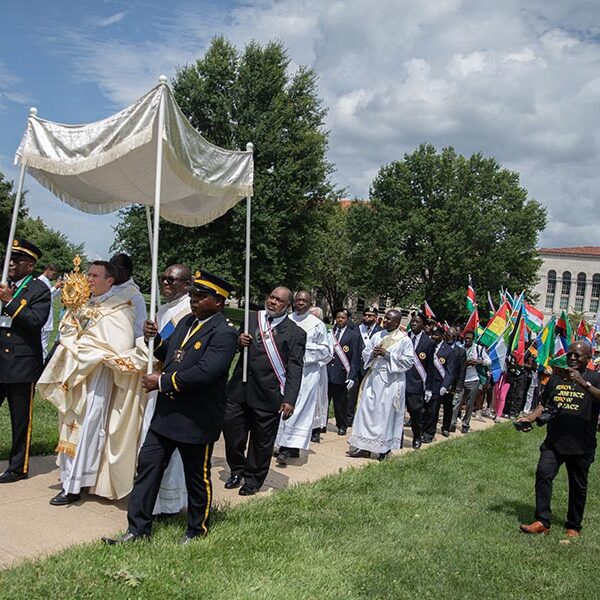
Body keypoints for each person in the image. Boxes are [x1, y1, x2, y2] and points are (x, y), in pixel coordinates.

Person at [104, 271, 238, 544]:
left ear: (219, 302)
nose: (194, 300)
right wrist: (156, 340)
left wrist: (163, 382)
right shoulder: (187, 321)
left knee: (196, 478)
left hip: (196, 419)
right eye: (192, 294)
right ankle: (137, 530)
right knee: (148, 468)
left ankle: (196, 530)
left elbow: (205, 372)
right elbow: (172, 354)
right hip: (167, 415)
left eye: (201, 296)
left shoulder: (225, 332)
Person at [38, 260, 145, 504]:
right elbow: (65, 331)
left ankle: (75, 484)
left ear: (110, 281)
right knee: (69, 425)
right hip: (75, 373)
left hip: (97, 376)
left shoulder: (121, 308)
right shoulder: (83, 303)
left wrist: (86, 348)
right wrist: (74, 341)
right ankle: (69, 479)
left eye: (95, 276)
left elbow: (117, 345)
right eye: (88, 274)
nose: (89, 279)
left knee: (88, 427)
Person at [223, 287, 306, 496]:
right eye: (271, 297)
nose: (273, 302)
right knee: (233, 435)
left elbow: (295, 368)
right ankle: (237, 469)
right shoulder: (252, 319)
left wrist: (290, 399)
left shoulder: (296, 333)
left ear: (287, 306)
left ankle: (253, 479)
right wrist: (238, 342)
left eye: (279, 300)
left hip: (268, 394)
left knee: (261, 442)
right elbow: (234, 347)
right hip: (239, 389)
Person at [517, 341, 600, 537]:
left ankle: (574, 526)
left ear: (588, 359)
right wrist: (528, 418)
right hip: (554, 441)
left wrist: (583, 383)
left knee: (578, 486)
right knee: (543, 474)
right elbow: (543, 405)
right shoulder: (556, 379)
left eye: (577, 355)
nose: (572, 357)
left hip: (582, 444)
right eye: (570, 354)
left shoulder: (595, 378)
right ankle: (542, 521)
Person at [139, 263, 192, 516]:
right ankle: (152, 499)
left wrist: (157, 339)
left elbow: (175, 349)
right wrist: (150, 337)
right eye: (164, 279)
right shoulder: (162, 309)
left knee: (171, 449)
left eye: (172, 280)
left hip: (171, 383)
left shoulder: (188, 310)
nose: (166, 283)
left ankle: (169, 503)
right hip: (154, 382)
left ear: (187, 284)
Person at [0, 239, 51, 483]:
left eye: (17, 260)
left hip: (21, 365)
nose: (10, 263)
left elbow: (35, 322)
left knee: (21, 420)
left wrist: (10, 302)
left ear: (30, 266)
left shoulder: (39, 289)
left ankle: (18, 467)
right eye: (10, 257)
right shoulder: (2, 282)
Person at [347, 309, 414, 460]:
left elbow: (409, 361)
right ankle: (364, 447)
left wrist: (388, 354)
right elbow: (365, 353)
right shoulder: (377, 335)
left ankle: (384, 449)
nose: (386, 321)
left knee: (385, 415)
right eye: (385, 318)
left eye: (389, 319)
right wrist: (372, 354)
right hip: (374, 378)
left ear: (397, 322)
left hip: (391, 382)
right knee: (367, 411)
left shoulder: (404, 340)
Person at [275, 291, 332, 463]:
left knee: (298, 410)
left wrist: (303, 348)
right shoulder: (286, 320)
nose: (300, 303)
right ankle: (281, 444)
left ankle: (289, 447)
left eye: (304, 301)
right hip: (286, 372)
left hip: (307, 374)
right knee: (282, 406)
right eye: (298, 300)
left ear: (310, 303)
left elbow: (326, 352)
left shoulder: (317, 325)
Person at [327, 308, 362, 435]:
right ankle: (320, 425)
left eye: (343, 318)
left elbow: (355, 358)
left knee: (340, 403)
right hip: (327, 372)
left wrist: (352, 376)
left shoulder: (353, 336)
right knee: (324, 401)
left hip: (341, 373)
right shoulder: (329, 333)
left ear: (347, 320)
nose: (340, 320)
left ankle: (342, 425)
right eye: (338, 317)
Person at [347, 305, 383, 427]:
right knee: (351, 395)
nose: (367, 317)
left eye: (370, 316)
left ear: (376, 317)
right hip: (356, 366)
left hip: (370, 368)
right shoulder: (357, 329)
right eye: (366, 315)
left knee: (368, 397)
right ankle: (349, 420)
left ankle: (364, 420)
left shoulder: (381, 332)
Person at [450, 329, 490, 434]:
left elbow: (489, 361)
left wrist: (478, 361)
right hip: (460, 380)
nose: (467, 340)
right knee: (456, 402)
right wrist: (465, 363)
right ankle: (452, 423)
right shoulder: (459, 348)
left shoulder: (479, 349)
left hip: (473, 380)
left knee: (469, 404)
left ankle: (465, 424)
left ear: (473, 339)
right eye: (465, 338)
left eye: (469, 339)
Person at [405, 312, 434, 448]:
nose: (413, 323)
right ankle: (397, 438)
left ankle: (417, 436)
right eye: (412, 321)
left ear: (423, 325)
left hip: (417, 384)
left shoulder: (428, 342)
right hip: (402, 381)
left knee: (415, 413)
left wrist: (428, 388)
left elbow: (430, 368)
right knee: (397, 413)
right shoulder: (404, 338)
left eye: (417, 321)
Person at [423, 325, 457, 443]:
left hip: (438, 384)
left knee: (433, 410)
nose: (433, 337)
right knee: (424, 409)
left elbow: (450, 371)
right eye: (432, 334)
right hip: (425, 382)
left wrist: (445, 385)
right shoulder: (427, 346)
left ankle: (429, 433)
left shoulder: (449, 351)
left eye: (436, 335)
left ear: (442, 336)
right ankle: (422, 430)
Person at [109, 253, 147, 339]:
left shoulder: (135, 297)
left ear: (126, 270)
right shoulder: (104, 287)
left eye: (114, 267)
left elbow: (139, 329)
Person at [309, 306, 330, 441]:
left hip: (318, 370)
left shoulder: (324, 332)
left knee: (317, 401)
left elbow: (328, 353)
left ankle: (315, 430)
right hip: (302, 370)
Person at [37, 263, 62, 360]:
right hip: (42, 320)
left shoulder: (47, 281)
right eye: (53, 273)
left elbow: (50, 298)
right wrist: (55, 287)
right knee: (42, 348)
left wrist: (59, 289)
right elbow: (43, 296)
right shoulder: (40, 281)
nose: (53, 276)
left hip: (47, 320)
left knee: (44, 346)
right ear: (48, 269)